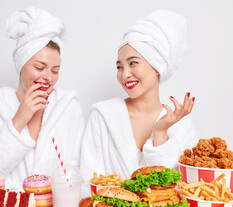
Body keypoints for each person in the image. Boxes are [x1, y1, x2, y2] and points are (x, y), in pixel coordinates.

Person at [0, 7, 84, 191]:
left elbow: (77, 174)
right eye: (39, 67)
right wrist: (18, 120)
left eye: (55, 70)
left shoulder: (69, 108)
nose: (48, 77)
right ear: (21, 64)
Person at [80, 10, 198, 187]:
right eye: (119, 67)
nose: (125, 74)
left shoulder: (183, 128)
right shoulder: (103, 116)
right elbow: (87, 183)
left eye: (133, 63)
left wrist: (160, 132)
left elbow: (175, 192)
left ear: (156, 67)